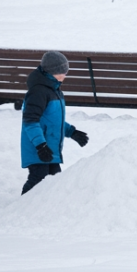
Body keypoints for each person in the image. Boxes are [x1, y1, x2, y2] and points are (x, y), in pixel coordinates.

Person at [20, 51, 89, 194]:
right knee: (38, 179)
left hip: (49, 149)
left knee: (55, 181)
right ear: (52, 72)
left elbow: (53, 121)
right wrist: (40, 145)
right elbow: (30, 122)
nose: (65, 75)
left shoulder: (55, 90)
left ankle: (48, 212)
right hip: (38, 148)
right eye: (62, 72)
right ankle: (20, 208)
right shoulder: (38, 92)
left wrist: (72, 132)